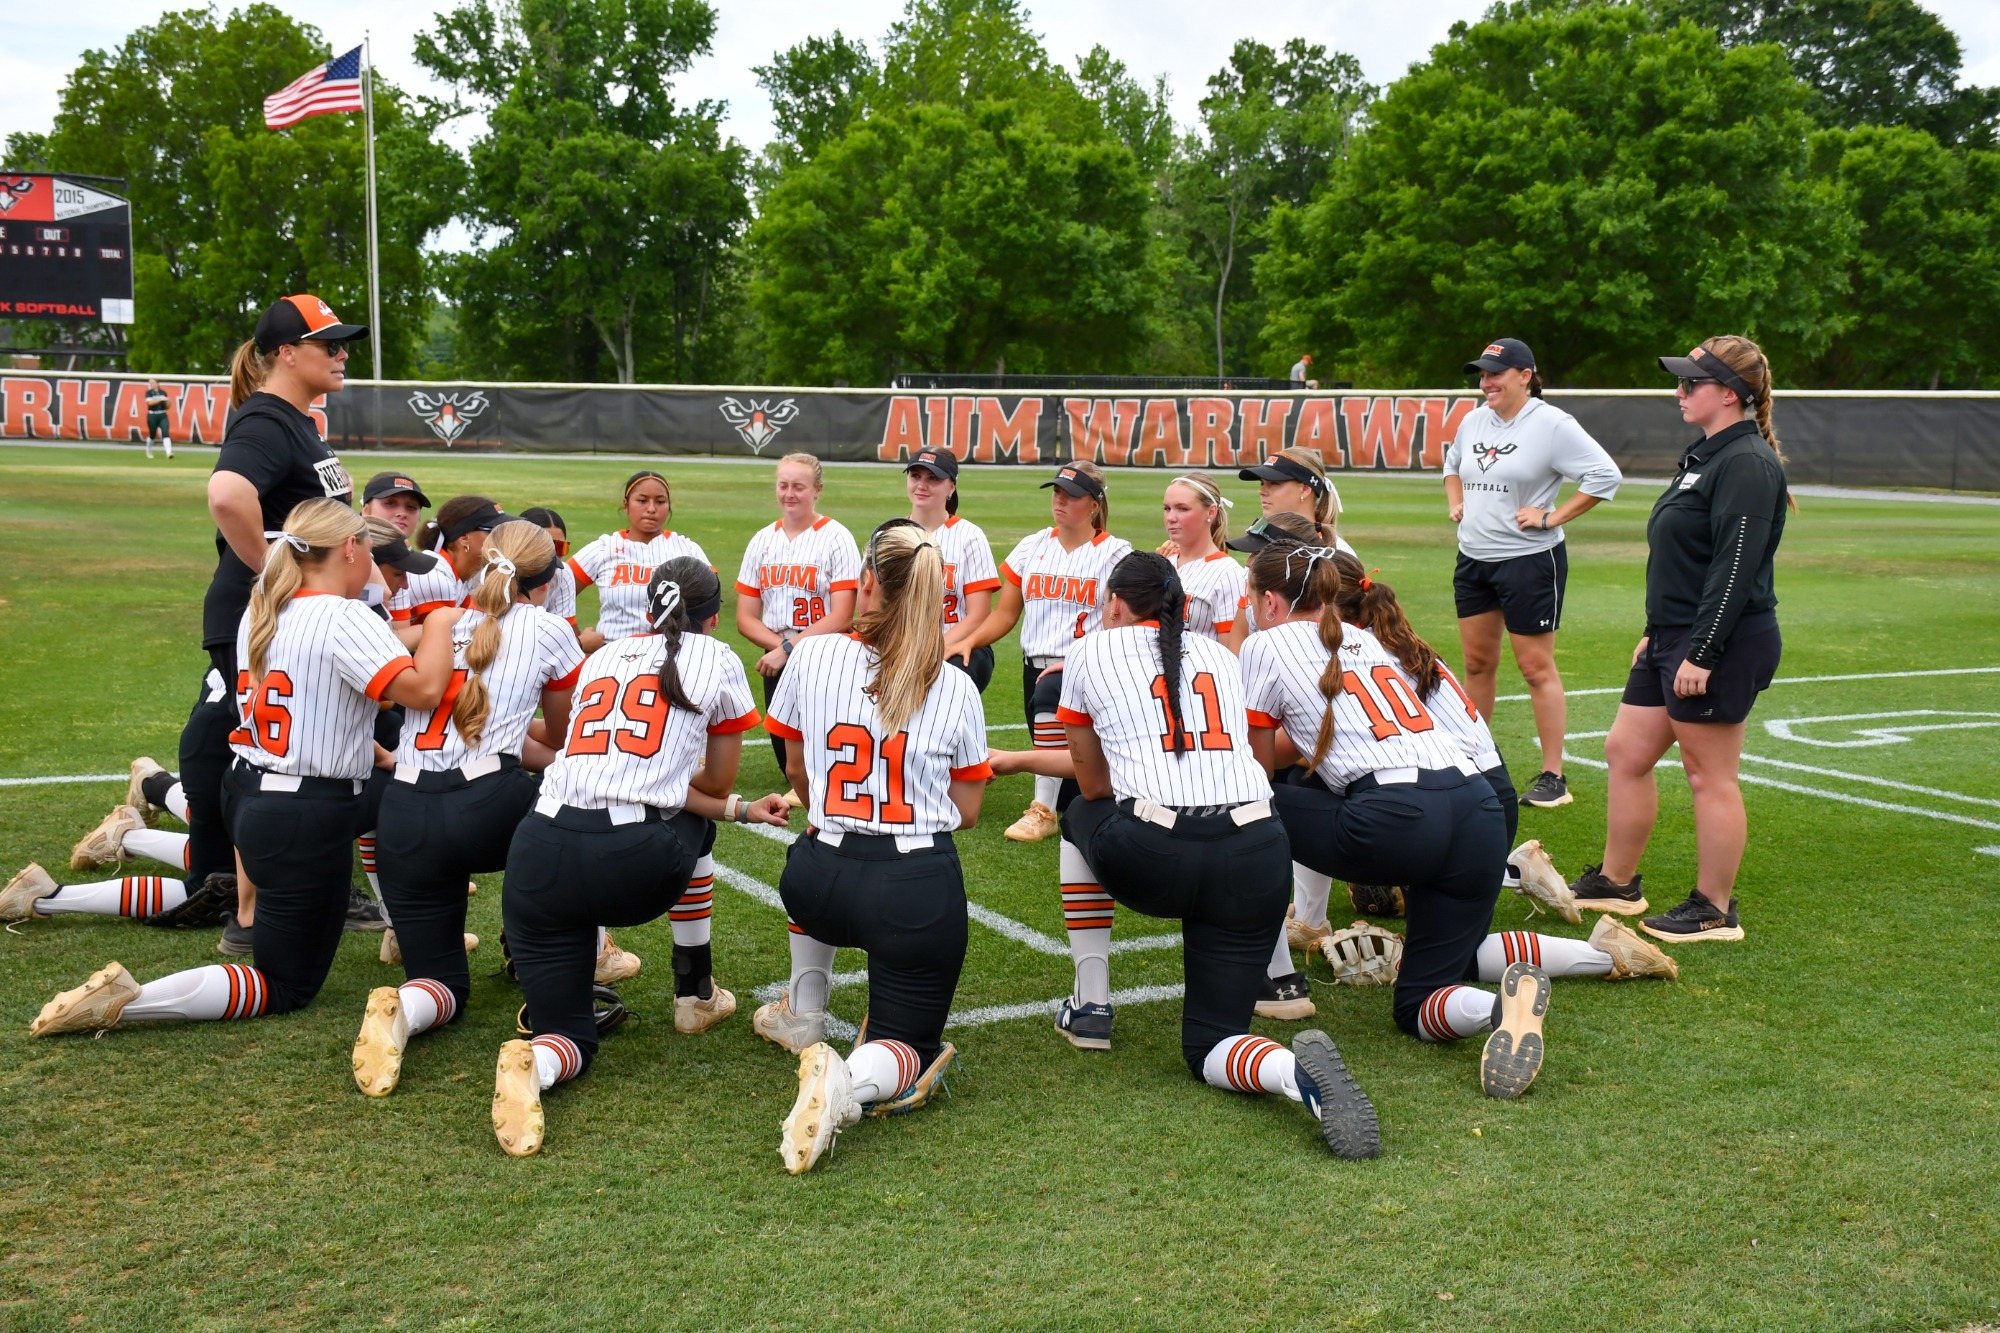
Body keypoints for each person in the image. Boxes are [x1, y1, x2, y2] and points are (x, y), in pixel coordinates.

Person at [990, 552, 1379, 1158]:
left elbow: (1094, 785)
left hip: (1158, 854)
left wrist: (1016, 762)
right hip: (1257, 853)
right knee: (1211, 1044)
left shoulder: (1092, 650)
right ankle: (1294, 1077)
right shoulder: (1220, 656)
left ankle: (1091, 1001)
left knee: (1077, 813)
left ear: (1116, 602)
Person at [28, 500, 459, 1040]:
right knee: (285, 984)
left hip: (255, 791)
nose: (371, 564)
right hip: (303, 811)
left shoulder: (265, 603)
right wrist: (441, 619)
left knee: (402, 794)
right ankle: (129, 1002)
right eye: (368, 551)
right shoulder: (343, 614)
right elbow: (421, 689)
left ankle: (404, 923)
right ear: (349, 548)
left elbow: (334, 680)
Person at [1276, 552, 1678, 987]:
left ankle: (1596, 949)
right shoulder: (1388, 640)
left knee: (1443, 958)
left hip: (1459, 803)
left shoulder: (1361, 654)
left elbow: (1313, 751)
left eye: (1309, 603)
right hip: (1472, 795)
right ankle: (1513, 872)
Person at [493, 561, 785, 1156]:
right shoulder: (717, 658)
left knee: (567, 1032)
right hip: (630, 862)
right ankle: (693, 993)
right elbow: (715, 781)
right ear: (713, 613)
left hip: (537, 851)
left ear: (650, 608)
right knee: (696, 820)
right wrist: (734, 805)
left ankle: (541, 1063)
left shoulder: (604, 656)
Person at [1238, 542, 1549, 1099]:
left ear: (1268, 600)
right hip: (1476, 809)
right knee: (1417, 1004)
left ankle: (1270, 972)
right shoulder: (1361, 638)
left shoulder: (1266, 643)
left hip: (1396, 817)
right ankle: (1504, 1005)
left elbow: (1255, 769)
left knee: (1239, 804)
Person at [752, 521, 992, 1173]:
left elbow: (796, 773)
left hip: (818, 872)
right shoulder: (957, 686)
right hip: (912, 886)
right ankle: (846, 1084)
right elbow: (967, 812)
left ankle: (806, 1005)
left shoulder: (814, 654)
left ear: (865, 584)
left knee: (811, 853)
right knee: (906, 1040)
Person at [351, 520, 584, 1098]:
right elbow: (562, 739)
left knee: (440, 982)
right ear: (551, 575)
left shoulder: (441, 619)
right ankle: (566, 970)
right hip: (489, 802)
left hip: (403, 806)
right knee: (576, 839)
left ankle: (403, 1008)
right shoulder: (549, 629)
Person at [1572, 337, 1792, 946]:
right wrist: (1657, 633)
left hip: (1718, 641)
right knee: (1625, 751)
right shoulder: (1705, 453)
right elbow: (1683, 559)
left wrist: (1702, 651)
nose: (1680, 392)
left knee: (1708, 775)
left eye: (1691, 383)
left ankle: (1716, 909)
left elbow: (1734, 568)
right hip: (1673, 637)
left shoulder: (1746, 461)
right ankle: (1616, 881)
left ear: (1729, 394)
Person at [182, 294, 364, 957]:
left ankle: (322, 887)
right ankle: (250, 914)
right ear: (288, 352)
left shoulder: (297, 420)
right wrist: (274, 577)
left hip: (290, 619)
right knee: (270, 758)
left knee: (309, 746)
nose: (343, 353)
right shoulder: (265, 420)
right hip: (262, 616)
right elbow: (228, 495)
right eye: (330, 343)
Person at [958, 461, 1132, 1044]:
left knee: (1074, 744)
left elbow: (1123, 616)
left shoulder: (1115, 552)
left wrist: (1085, 655)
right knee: (1056, 738)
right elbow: (1006, 614)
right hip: (1040, 662)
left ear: (1095, 503)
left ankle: (1043, 808)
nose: (1061, 502)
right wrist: (961, 641)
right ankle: (1053, 804)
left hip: (1089, 663)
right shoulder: (1034, 546)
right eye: (1056, 492)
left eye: (1072, 495)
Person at [1446, 337, 1624, 811]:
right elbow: (1452, 467)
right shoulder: (1472, 420)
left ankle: (1554, 776)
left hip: (1529, 561)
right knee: (1478, 665)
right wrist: (1456, 501)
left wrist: (1552, 517)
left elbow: (1605, 476)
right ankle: (1476, 758)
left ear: (1526, 376)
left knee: (1535, 668)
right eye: (1481, 375)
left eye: (1495, 374)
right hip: (1474, 559)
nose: (1486, 383)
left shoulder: (1551, 424)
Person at [734, 453, 861, 782]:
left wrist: (791, 649)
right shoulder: (762, 540)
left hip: (827, 654)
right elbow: (746, 618)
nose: (790, 494)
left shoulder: (837, 537)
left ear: (817, 490)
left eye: (799, 487)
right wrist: (781, 648)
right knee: (789, 763)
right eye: (783, 485)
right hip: (776, 656)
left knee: (827, 752)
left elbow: (843, 614)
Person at [568, 471, 711, 654]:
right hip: (612, 657)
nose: (651, 509)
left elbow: (710, 605)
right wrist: (576, 641)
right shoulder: (605, 548)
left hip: (671, 657)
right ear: (626, 505)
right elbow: (558, 591)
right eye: (642, 501)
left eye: (660, 502)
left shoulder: (686, 549)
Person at [907, 448, 1002, 692]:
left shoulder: (969, 536)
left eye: (933, 479)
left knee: (944, 690)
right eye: (915, 476)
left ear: (951, 487)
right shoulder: (892, 534)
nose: (921, 485)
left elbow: (978, 615)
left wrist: (931, 651)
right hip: (905, 644)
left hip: (960, 643)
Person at [1159, 472, 1247, 649]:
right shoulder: (1163, 562)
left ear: (1211, 512)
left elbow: (1232, 653)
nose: (1171, 517)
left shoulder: (1228, 573)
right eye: (1167, 508)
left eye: (1182, 508)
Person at [1237, 448, 1354, 556]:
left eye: (1274, 483)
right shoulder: (1263, 541)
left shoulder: (1337, 552)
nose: (1261, 491)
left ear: (1305, 489)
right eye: (1262, 483)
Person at [517, 506, 579, 636]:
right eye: (545, 546)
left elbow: (564, 633)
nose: (552, 556)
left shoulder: (562, 572)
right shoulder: (499, 572)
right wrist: (582, 643)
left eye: (560, 547)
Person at [361, 472, 428, 538]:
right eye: (390, 503)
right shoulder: (352, 548)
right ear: (366, 511)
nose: (402, 514)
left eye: (411, 507)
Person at [144, 378, 172, 459]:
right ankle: (149, 450)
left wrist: (168, 401)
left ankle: (169, 452)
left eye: (153, 383)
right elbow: (150, 403)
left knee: (165, 432)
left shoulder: (163, 392)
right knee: (152, 434)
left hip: (162, 414)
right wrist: (160, 399)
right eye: (150, 383)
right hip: (152, 415)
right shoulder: (149, 393)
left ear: (157, 383)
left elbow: (168, 406)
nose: (151, 385)